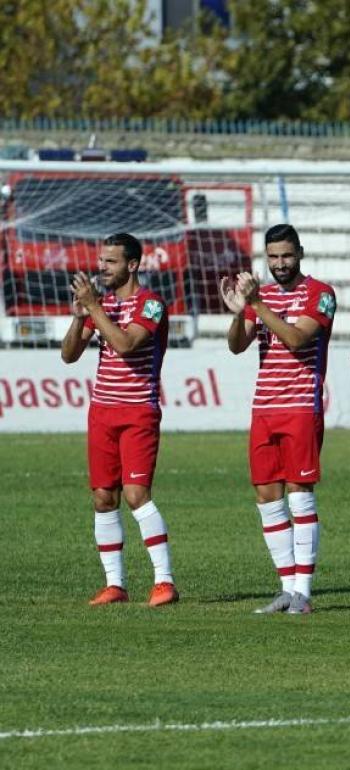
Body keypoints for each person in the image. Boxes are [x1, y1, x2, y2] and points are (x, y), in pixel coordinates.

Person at [221, 224, 335, 615]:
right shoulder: (262, 296)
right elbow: (238, 346)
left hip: (301, 406)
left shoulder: (320, 294)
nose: (280, 264)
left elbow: (297, 338)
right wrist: (240, 314)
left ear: (299, 253)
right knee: (267, 497)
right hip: (264, 408)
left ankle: (303, 591)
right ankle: (286, 588)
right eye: (273, 257)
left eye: (287, 256)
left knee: (300, 495)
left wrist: (258, 305)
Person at [61, 233, 177, 608]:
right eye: (101, 261)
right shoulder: (103, 304)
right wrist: (80, 317)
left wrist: (94, 308)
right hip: (102, 412)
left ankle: (164, 581)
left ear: (132, 265)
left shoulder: (152, 304)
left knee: (135, 494)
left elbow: (127, 344)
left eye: (110, 262)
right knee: (102, 497)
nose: (101, 268)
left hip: (138, 411)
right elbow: (69, 355)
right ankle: (115, 585)